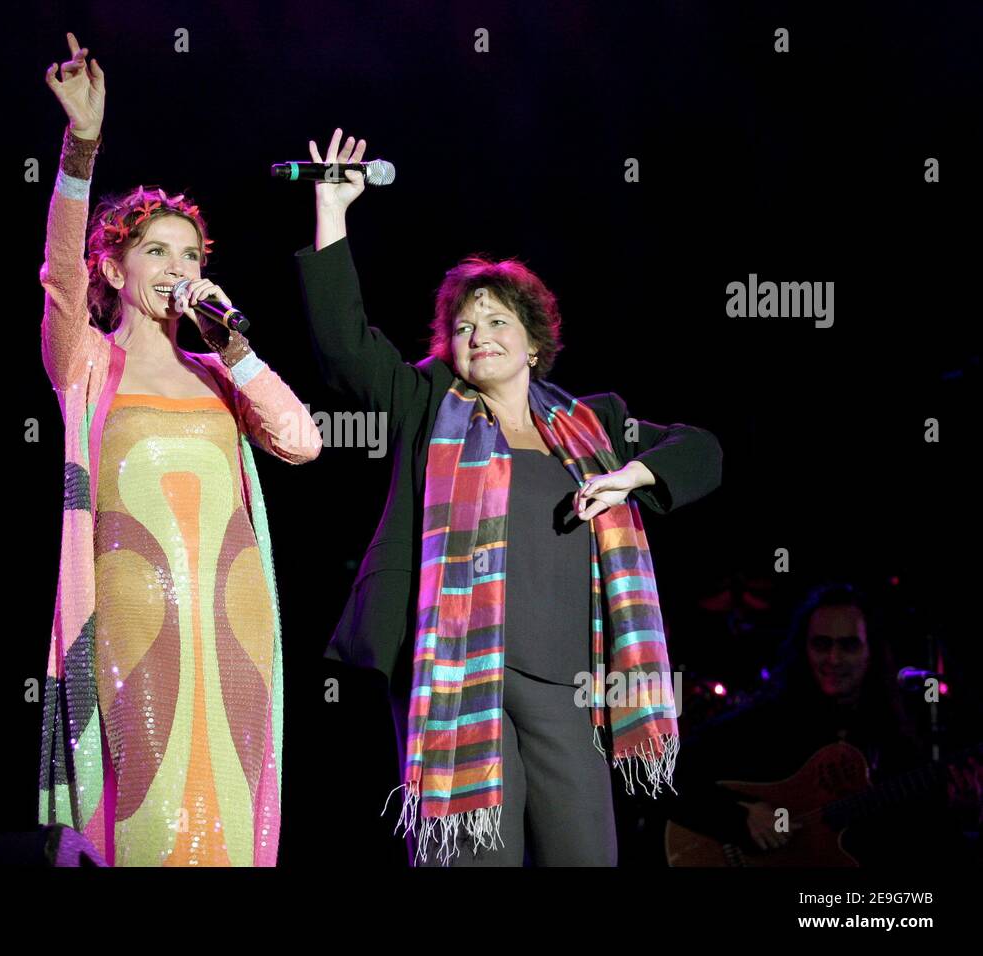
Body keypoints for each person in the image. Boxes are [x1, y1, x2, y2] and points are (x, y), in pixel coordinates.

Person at [295, 128, 723, 866]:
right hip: (459, 673)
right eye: (463, 325)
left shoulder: (596, 424)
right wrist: (332, 209)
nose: (478, 333)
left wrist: (634, 475)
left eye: (497, 321)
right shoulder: (427, 400)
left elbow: (703, 449)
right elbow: (343, 348)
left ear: (533, 342)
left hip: (570, 683)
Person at [36, 34, 321, 867]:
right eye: (154, 250)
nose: (177, 265)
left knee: (228, 811)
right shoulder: (88, 363)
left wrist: (237, 350)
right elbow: (57, 275)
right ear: (115, 269)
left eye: (190, 253)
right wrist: (80, 150)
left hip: (232, 620)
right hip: (129, 615)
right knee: (154, 813)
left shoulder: (219, 372)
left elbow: (301, 443)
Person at [665, 582, 982, 866]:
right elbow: (664, 777)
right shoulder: (763, 724)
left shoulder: (897, 736)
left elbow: (917, 844)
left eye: (848, 645)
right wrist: (739, 818)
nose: (833, 658)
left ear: (871, 652)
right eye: (821, 644)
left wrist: (964, 816)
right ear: (803, 649)